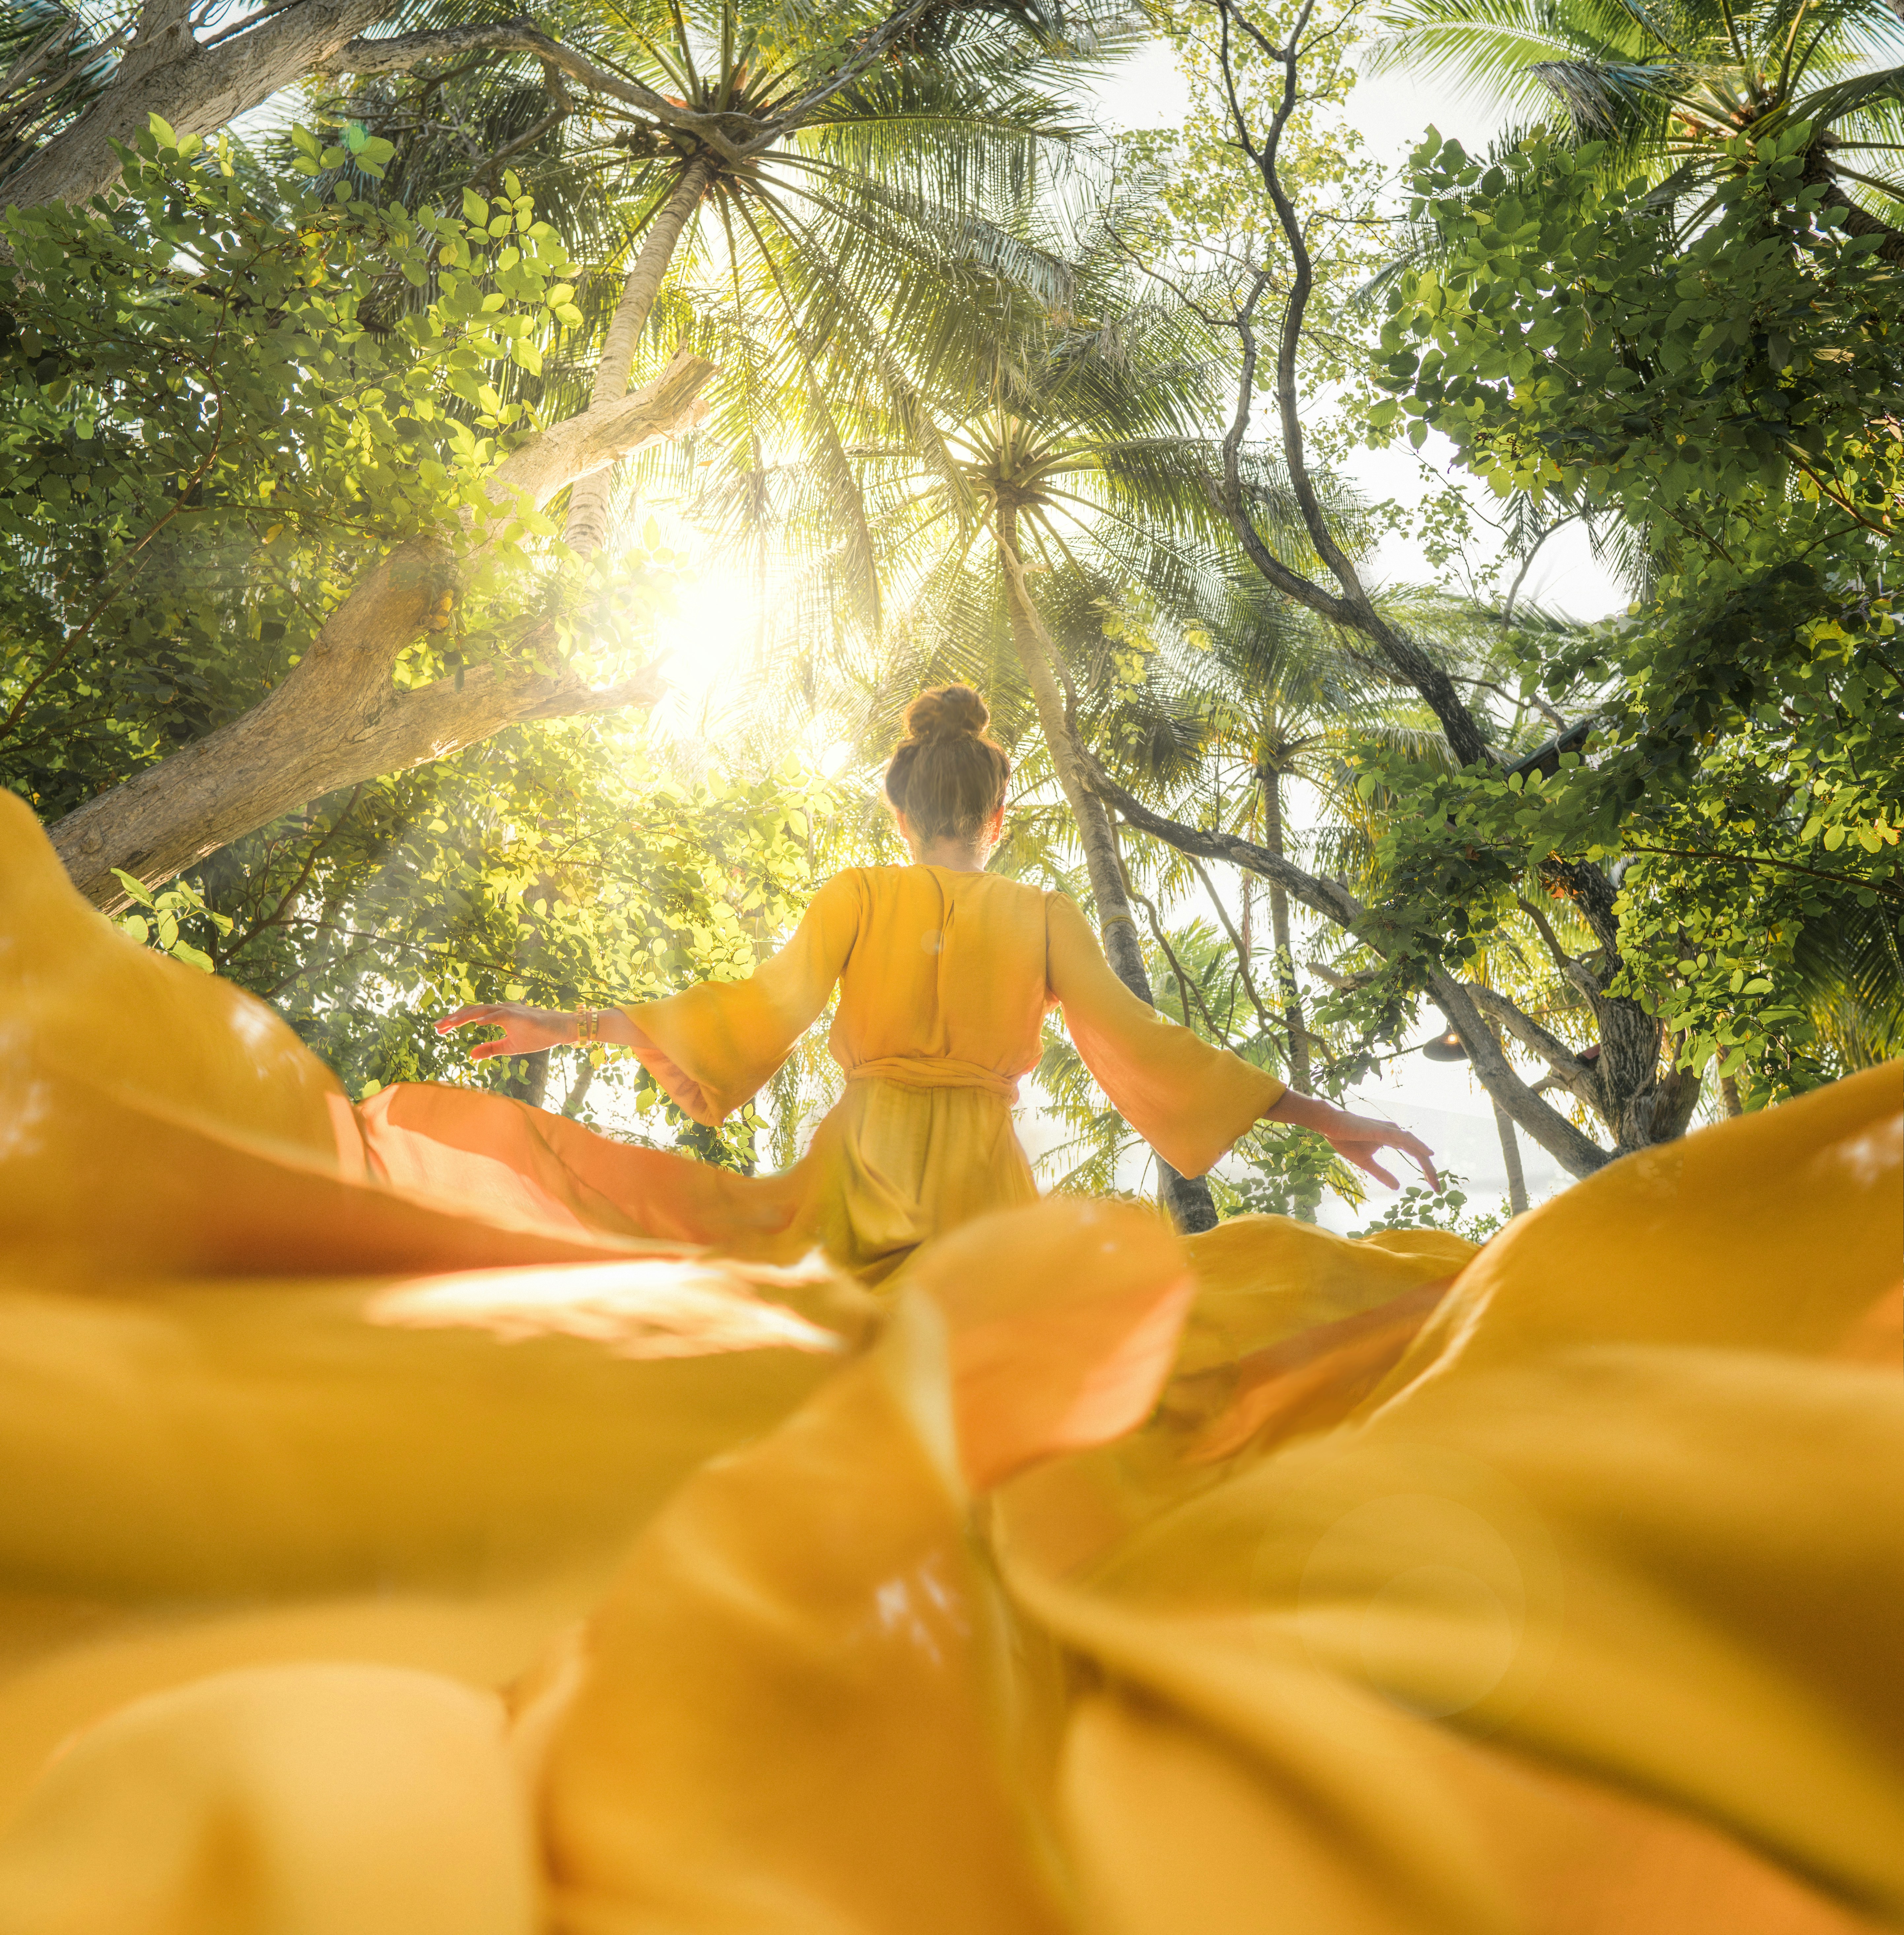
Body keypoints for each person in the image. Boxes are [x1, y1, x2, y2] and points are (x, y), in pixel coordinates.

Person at [438, 684, 1438, 1282]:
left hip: (856, 1182)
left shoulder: (858, 896)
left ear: (900, 817)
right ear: (999, 815)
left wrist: (566, 1025)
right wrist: (1322, 1116)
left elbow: (750, 1013)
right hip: (982, 1194)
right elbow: (1150, 1046)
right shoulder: (1043, 918)